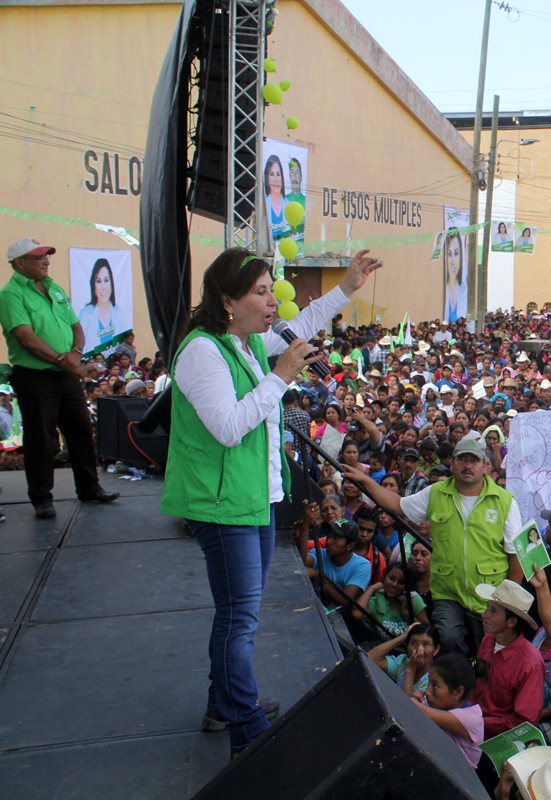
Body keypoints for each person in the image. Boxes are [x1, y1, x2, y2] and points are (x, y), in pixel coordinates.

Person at [160, 246, 382, 755]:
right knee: (240, 621)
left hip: (252, 499)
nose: (272, 302)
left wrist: (347, 287)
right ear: (227, 301)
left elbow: (301, 322)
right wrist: (280, 374)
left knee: (236, 616)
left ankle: (223, 704)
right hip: (223, 505)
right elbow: (229, 427)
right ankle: (248, 731)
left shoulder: (242, 344)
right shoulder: (202, 352)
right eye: (261, 292)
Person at [344, 437, 523, 657]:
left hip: (489, 596)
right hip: (447, 593)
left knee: (486, 652)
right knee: (447, 640)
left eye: (474, 460)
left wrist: (507, 601)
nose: (468, 465)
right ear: (452, 463)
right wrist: (366, 481)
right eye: (462, 459)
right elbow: (397, 504)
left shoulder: (505, 501)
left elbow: (515, 555)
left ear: (485, 466)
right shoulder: (435, 493)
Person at [1, 238, 120, 518]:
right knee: (41, 438)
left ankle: (89, 488)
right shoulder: (10, 294)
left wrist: (76, 354)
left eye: (47, 256)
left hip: (66, 374)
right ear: (20, 263)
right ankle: (42, 498)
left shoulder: (54, 288)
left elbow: (76, 326)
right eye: (38, 257)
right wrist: (62, 360)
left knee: (81, 431)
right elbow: (25, 337)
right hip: (35, 376)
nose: (45, 261)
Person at [473, 580, 544, 739]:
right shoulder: (489, 639)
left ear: (511, 621)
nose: (484, 615)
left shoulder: (531, 664)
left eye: (493, 611)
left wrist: (475, 722)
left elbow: (523, 723)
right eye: (487, 608)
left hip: (495, 739)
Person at [75, 257, 131, 354]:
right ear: (93, 285)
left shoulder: (119, 313)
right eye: (98, 281)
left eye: (106, 280)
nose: (103, 286)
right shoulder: (85, 314)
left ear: (111, 282)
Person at [442, 230, 468, 323]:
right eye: (449, 254)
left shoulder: (464, 289)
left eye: (456, 253)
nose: (452, 261)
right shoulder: (444, 289)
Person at [263, 154, 288, 242]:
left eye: (278, 174)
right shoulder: (263, 203)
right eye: (271, 174)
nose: (275, 179)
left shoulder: (288, 204)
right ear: (266, 178)